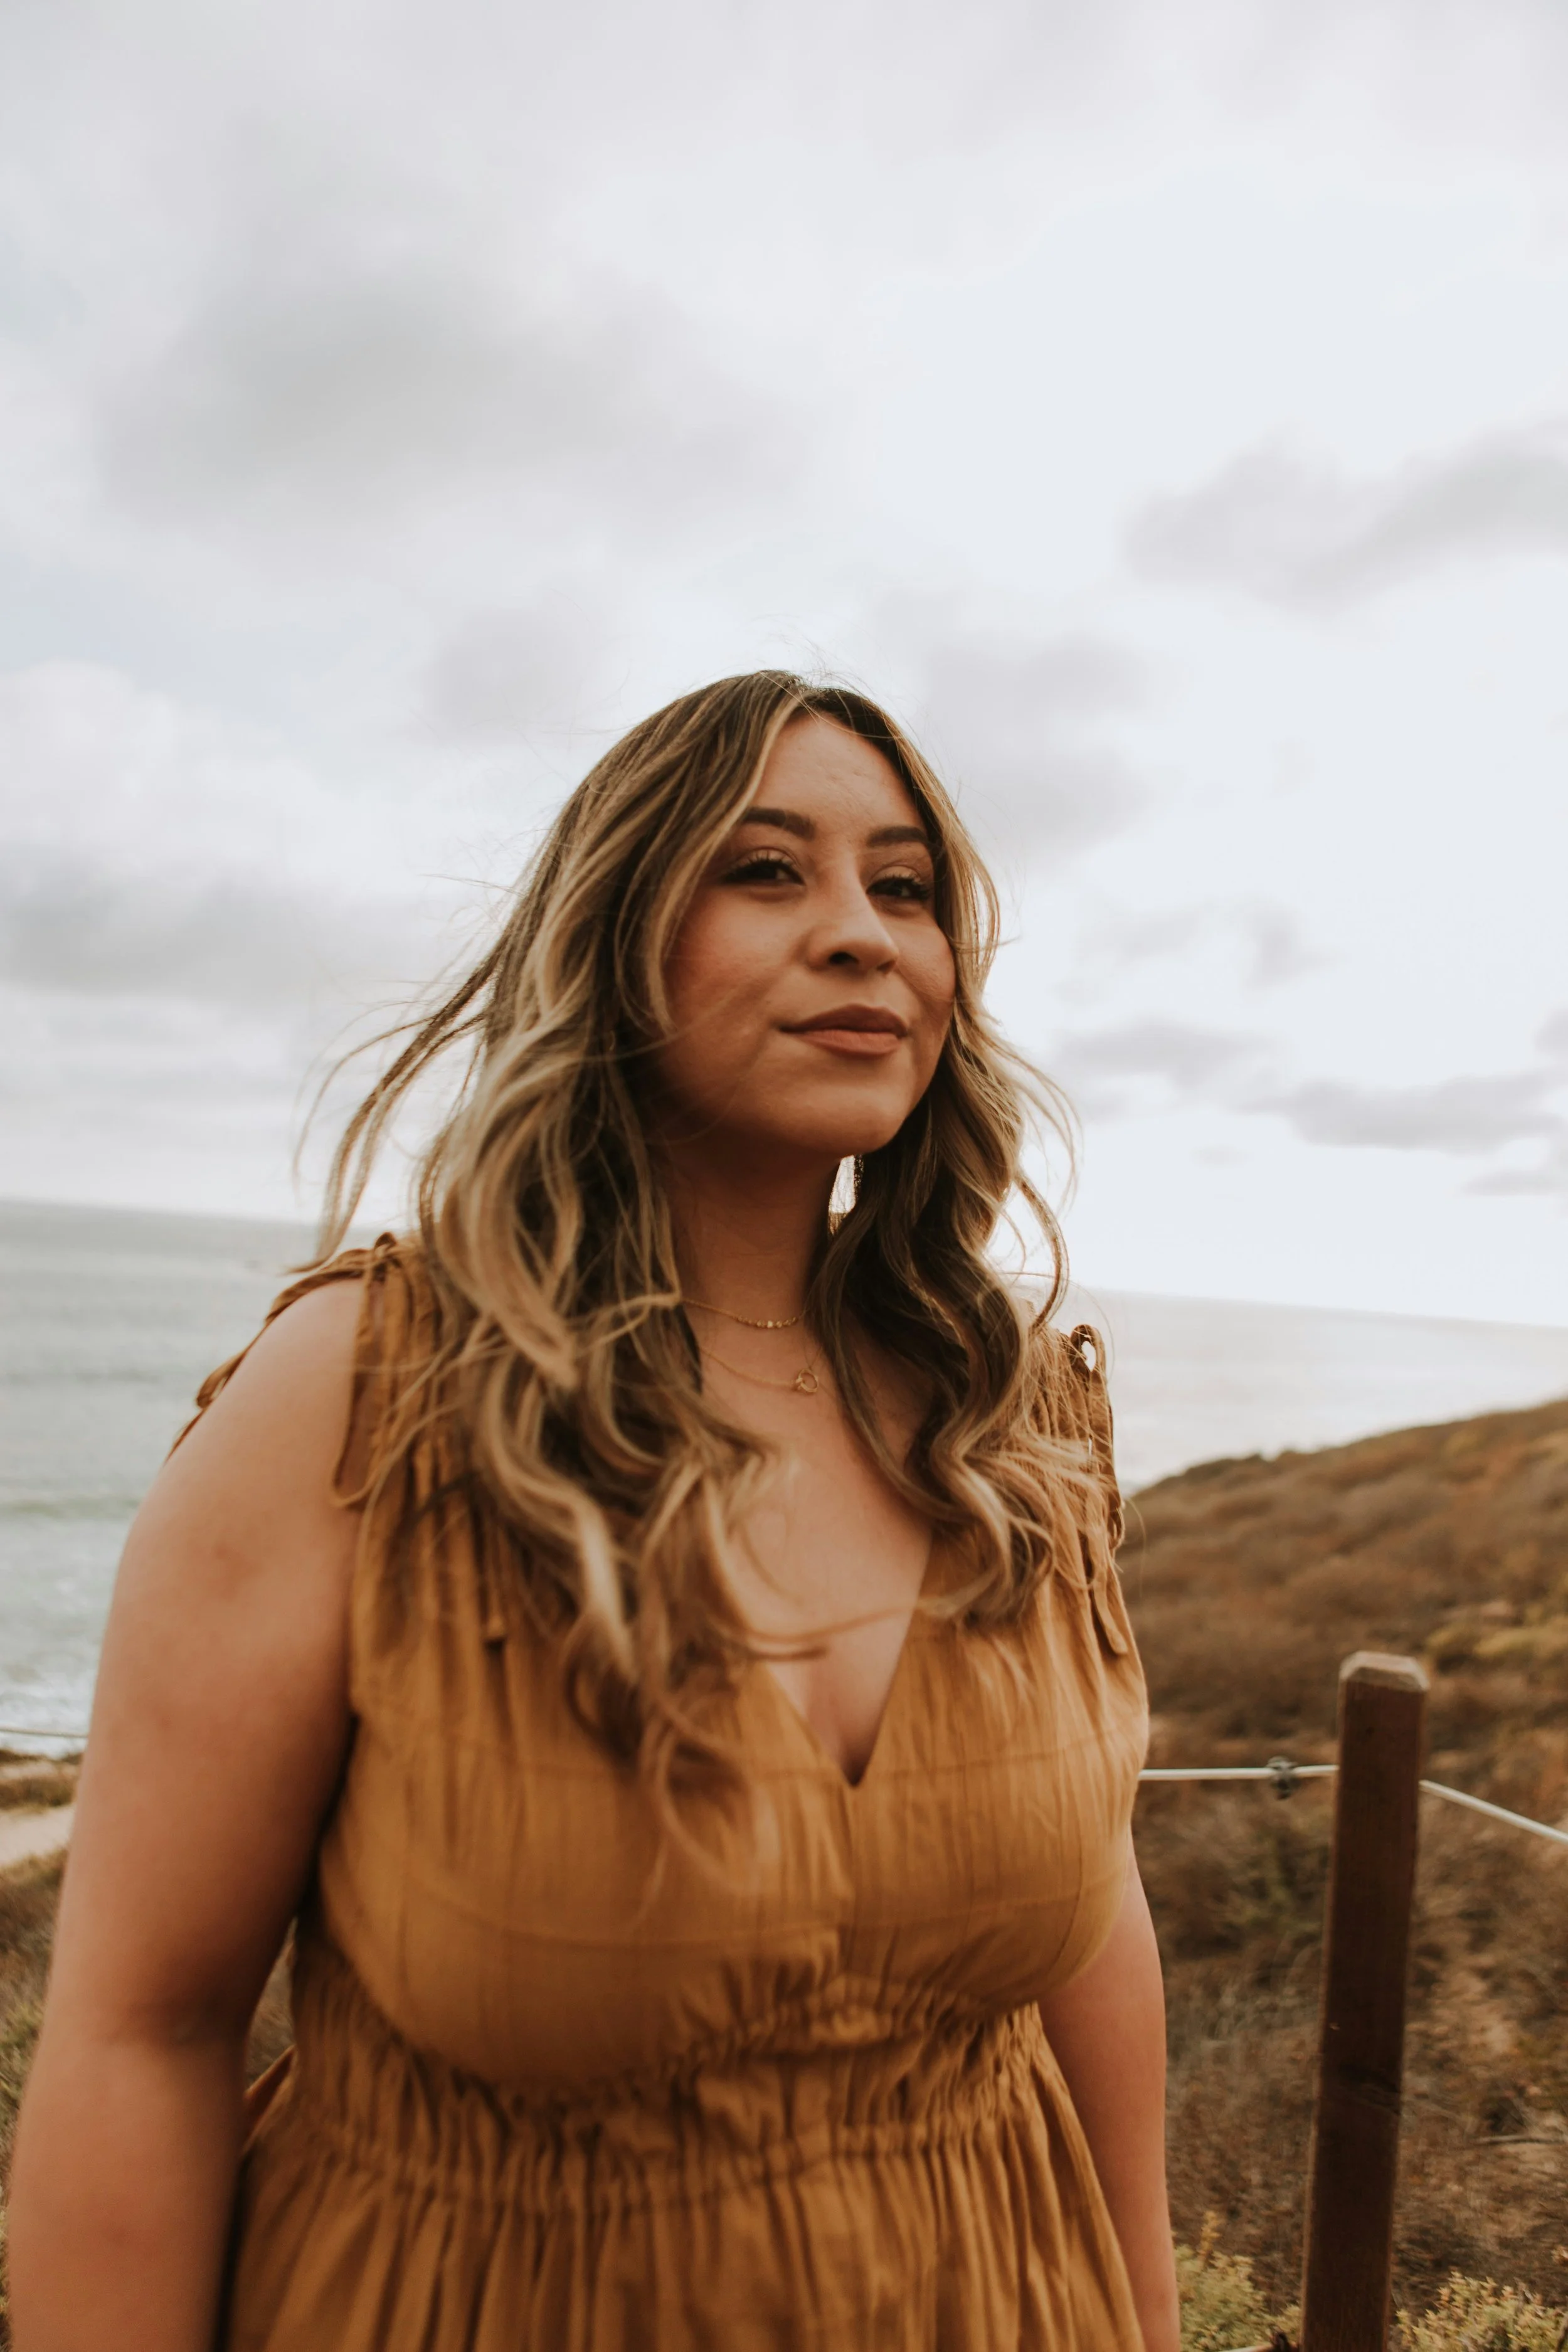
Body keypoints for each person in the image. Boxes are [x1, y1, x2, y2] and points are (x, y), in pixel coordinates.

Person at [9, 671, 1176, 2352]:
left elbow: (1091, 1934)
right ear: (612, 934)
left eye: (903, 885)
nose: (860, 932)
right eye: (764, 870)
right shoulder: (365, 1396)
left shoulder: (1013, 1423)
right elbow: (143, 2033)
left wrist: (1141, 2319)